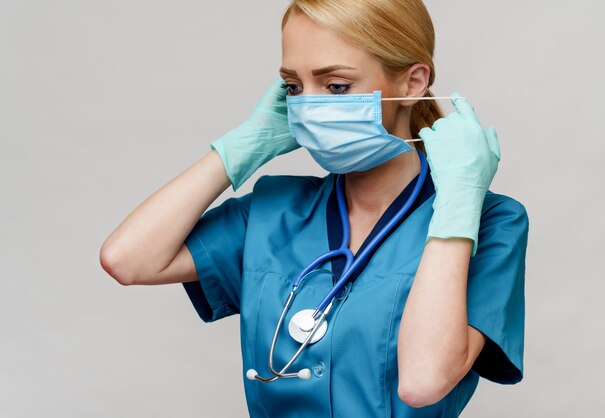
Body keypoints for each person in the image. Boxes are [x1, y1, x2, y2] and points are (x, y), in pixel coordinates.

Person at [99, 0, 529, 416]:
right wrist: (242, 148)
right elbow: (128, 259)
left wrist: (456, 202)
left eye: (337, 86)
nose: (309, 105)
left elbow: (423, 382)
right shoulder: (272, 211)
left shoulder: (492, 223)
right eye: (294, 87)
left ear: (413, 82)